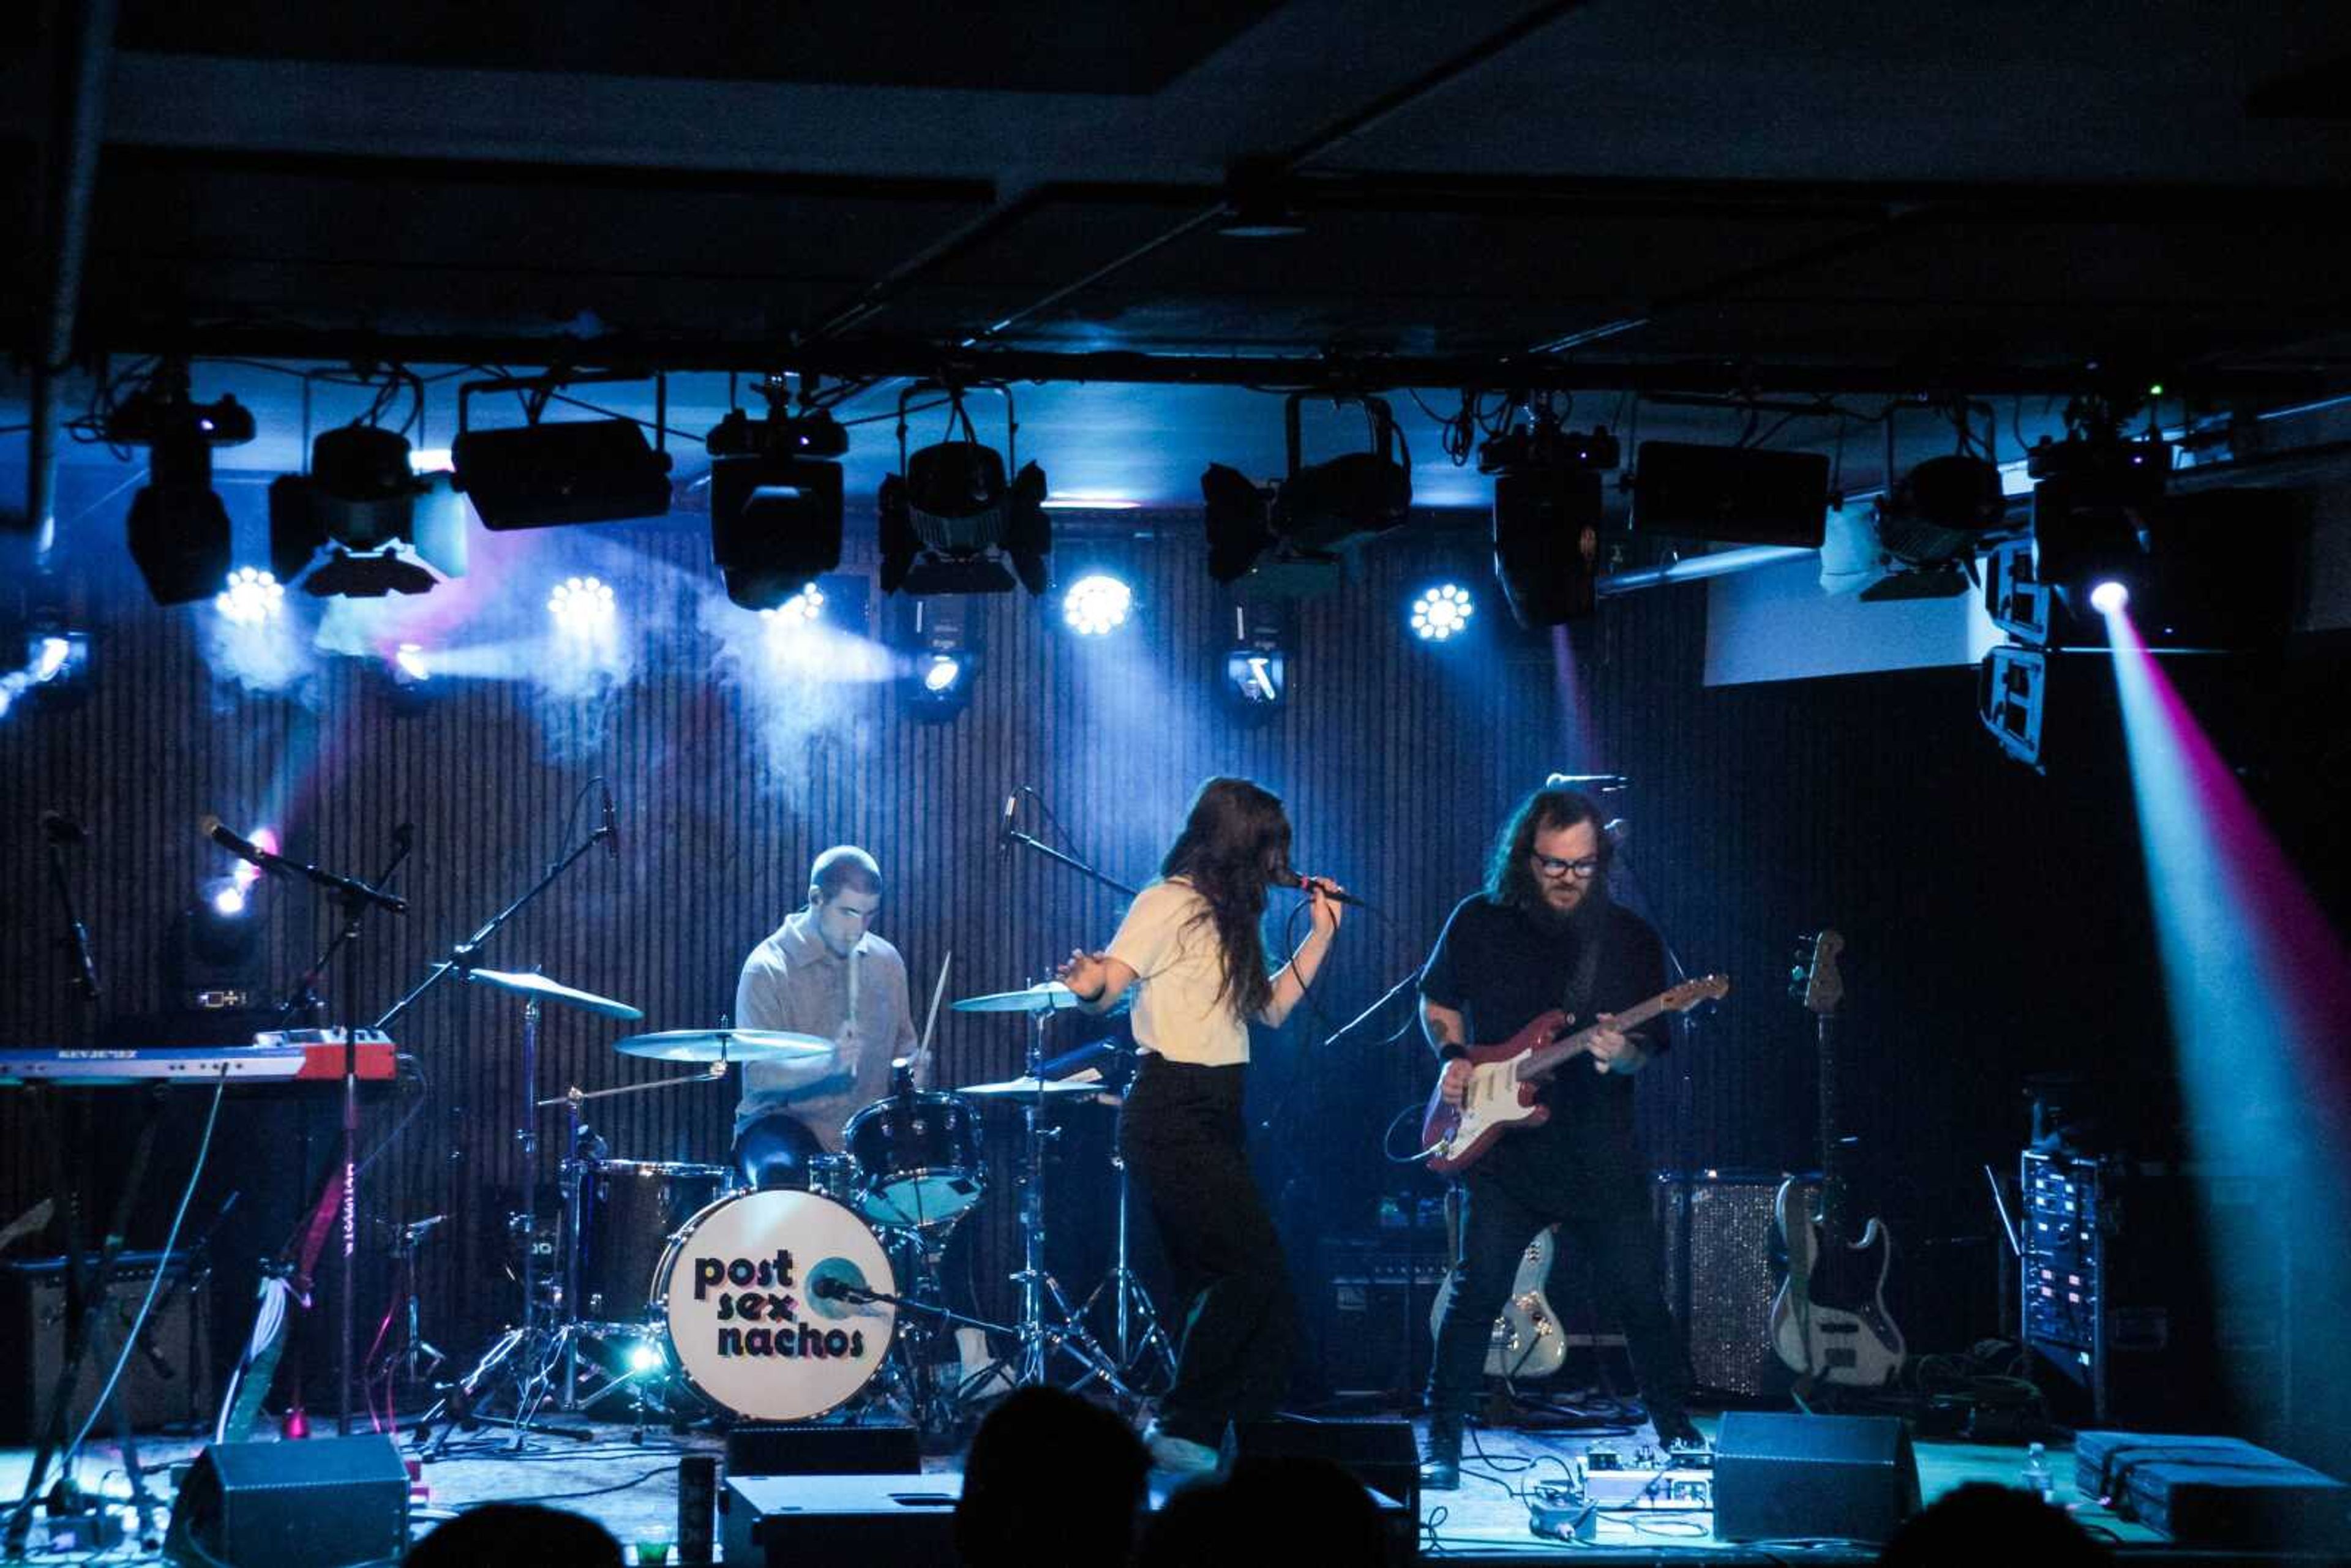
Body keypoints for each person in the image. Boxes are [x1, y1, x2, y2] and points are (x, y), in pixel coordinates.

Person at [1057, 778, 1344, 1475]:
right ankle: (1186, 1426)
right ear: (1238, 843)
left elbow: (1272, 1011)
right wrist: (1089, 980)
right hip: (1172, 1105)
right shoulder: (1166, 903)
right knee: (1251, 1270)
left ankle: (1219, 1438)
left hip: (1217, 1106)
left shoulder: (1226, 918)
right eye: (1271, 847)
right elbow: (1107, 986)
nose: (1281, 862)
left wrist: (1322, 934)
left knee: (1219, 1281)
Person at [1418, 786, 1697, 1489]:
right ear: (1524, 856)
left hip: (1601, 1149)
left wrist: (1618, 1053)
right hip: (1508, 1152)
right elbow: (1439, 1000)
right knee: (1476, 1292)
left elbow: (1647, 1046)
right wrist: (1454, 1058)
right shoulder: (1479, 921)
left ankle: (1676, 1427)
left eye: (1584, 865)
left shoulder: (1630, 935)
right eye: (1554, 865)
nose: (1570, 879)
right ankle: (1444, 1438)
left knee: (1640, 1295)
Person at [732, 845, 918, 1189]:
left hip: (865, 1130)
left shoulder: (887, 961)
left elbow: (904, 1048)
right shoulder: (768, 968)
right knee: (781, 1176)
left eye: (869, 915)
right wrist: (826, 1063)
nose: (859, 928)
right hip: (782, 1123)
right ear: (816, 898)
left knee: (943, 1187)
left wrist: (911, 1070)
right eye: (848, 912)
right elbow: (760, 1076)